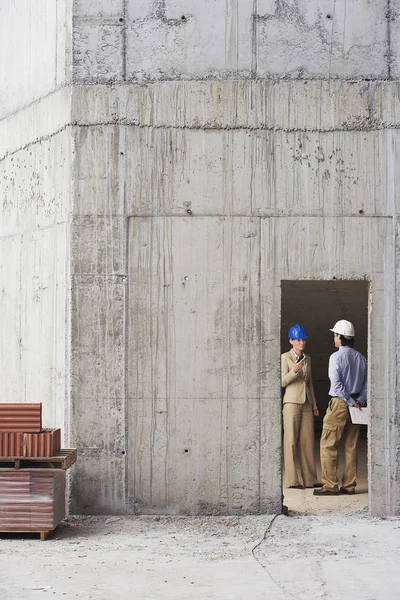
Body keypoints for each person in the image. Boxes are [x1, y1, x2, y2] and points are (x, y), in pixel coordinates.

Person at [314, 320, 367, 496]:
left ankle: (330, 486)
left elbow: (336, 385)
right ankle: (349, 486)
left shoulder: (336, 357)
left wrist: (350, 401)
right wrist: (358, 400)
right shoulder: (361, 358)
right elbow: (367, 384)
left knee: (328, 443)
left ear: (339, 337)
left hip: (340, 404)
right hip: (358, 406)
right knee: (351, 445)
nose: (334, 338)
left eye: (335, 335)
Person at [281, 324, 320, 489]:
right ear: (291, 341)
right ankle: (292, 481)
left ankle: (310, 480)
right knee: (290, 442)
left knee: (307, 442)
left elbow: (309, 383)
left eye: (303, 340)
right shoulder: (285, 358)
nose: (301, 343)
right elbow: (282, 382)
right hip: (291, 403)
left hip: (306, 404)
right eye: (298, 340)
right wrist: (295, 371)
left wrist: (314, 404)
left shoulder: (308, 358)